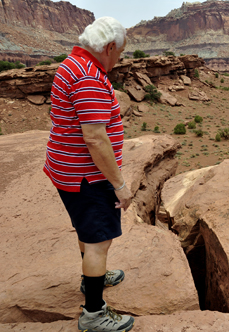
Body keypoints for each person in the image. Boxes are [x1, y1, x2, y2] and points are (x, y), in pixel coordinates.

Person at [44, 17, 134, 332]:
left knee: (88, 231)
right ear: (109, 47)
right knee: (100, 241)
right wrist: (120, 185)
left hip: (67, 171)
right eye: (120, 53)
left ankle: (91, 278)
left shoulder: (72, 63)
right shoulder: (89, 78)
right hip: (87, 177)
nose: (119, 59)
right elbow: (95, 138)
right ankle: (94, 314)